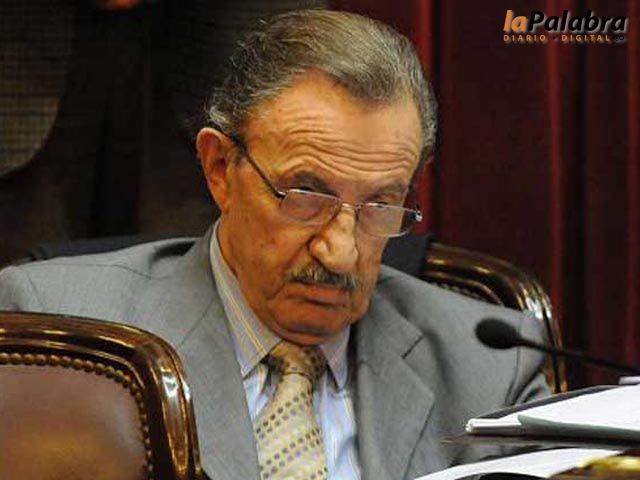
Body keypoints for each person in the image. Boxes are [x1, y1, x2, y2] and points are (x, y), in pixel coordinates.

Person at [0, 9, 549, 480]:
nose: (341, 253)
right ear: (220, 168)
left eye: (381, 205)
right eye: (306, 196)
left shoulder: (490, 368)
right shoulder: (61, 333)